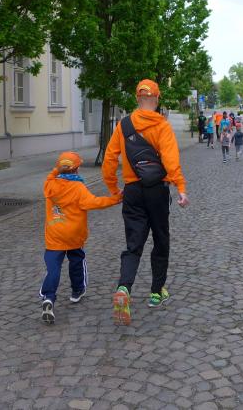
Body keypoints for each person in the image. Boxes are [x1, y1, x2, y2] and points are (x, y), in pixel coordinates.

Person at [103, 79, 190, 326]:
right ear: (157, 99)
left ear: (137, 98)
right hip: (157, 191)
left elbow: (109, 160)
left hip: (132, 191)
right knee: (161, 239)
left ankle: (124, 288)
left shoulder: (123, 125)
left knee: (134, 243)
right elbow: (171, 161)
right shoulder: (162, 126)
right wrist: (181, 188)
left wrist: (113, 189)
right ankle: (156, 292)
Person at [40, 152, 122, 324]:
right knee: (77, 261)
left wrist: (56, 170)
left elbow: (50, 176)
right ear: (77, 169)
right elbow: (94, 202)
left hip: (55, 234)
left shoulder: (50, 185)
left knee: (53, 268)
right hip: (74, 235)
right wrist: (115, 199)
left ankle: (48, 297)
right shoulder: (78, 188)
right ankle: (77, 291)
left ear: (59, 167)